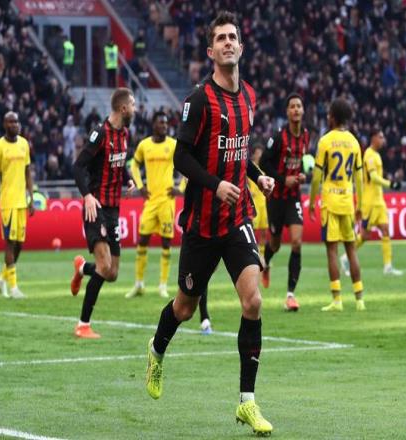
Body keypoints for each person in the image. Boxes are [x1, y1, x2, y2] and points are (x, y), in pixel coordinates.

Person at [145, 11, 275, 436]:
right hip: (202, 225)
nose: (228, 43)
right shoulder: (199, 100)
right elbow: (182, 157)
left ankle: (247, 402)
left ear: (241, 46)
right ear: (210, 51)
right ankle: (156, 350)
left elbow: (241, 150)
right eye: (220, 38)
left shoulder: (249, 96)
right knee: (184, 308)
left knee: (253, 302)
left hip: (237, 219)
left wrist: (258, 177)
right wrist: (215, 184)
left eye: (233, 36)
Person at [70, 88, 136, 339]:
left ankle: (81, 269)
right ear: (123, 108)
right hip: (95, 207)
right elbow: (78, 167)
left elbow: (119, 163)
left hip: (114, 209)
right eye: (132, 105)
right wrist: (87, 195)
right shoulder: (100, 133)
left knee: (112, 273)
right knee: (104, 265)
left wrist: (127, 179)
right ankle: (82, 325)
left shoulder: (125, 134)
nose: (135, 109)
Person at [308, 98, 366, 312]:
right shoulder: (354, 142)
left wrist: (312, 202)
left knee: (332, 251)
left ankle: (337, 299)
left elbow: (316, 177)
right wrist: (360, 205)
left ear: (332, 117)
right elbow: (359, 178)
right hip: (348, 202)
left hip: (330, 203)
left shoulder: (325, 141)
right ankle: (359, 300)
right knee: (351, 250)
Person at [125, 111, 184, 299]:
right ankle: (139, 284)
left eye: (166, 123)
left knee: (166, 243)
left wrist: (180, 188)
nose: (164, 126)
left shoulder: (173, 145)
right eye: (161, 123)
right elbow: (133, 166)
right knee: (143, 240)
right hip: (150, 201)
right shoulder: (144, 145)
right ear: (154, 125)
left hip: (167, 201)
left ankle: (163, 285)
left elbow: (187, 165)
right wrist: (140, 186)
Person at [259, 93, 309, 312]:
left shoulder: (306, 135)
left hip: (293, 197)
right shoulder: (279, 137)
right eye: (292, 106)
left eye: (299, 106)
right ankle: (265, 262)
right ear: (287, 112)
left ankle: (290, 295)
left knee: (296, 242)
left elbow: (299, 163)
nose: (296, 109)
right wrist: (282, 179)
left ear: (303, 110)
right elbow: (264, 162)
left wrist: (301, 175)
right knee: (275, 244)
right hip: (276, 199)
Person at [340, 128, 403, 276]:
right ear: (373, 138)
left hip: (379, 201)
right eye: (380, 137)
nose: (383, 140)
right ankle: (345, 258)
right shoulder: (369, 155)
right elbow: (373, 177)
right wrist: (391, 184)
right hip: (369, 202)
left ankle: (388, 266)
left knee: (385, 230)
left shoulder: (376, 155)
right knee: (365, 235)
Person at [0, 112, 34, 299]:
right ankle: (14, 288)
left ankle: (2, 279)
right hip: (7, 202)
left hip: (22, 202)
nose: (15, 124)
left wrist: (31, 197)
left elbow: (28, 171)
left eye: (16, 121)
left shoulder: (24, 144)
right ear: (5, 124)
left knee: (19, 244)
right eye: (11, 121)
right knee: (10, 243)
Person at [248, 145, 268, 257]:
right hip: (254, 203)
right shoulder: (250, 169)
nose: (260, 155)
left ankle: (262, 255)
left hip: (263, 203)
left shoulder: (264, 168)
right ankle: (253, 253)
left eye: (261, 153)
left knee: (264, 230)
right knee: (253, 231)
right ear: (254, 154)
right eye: (258, 153)